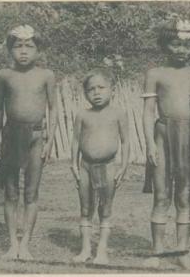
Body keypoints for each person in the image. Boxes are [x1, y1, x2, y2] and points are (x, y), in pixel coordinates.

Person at [142, 19, 190, 270]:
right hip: (162, 135)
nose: (181, 50)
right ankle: (157, 252)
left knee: (184, 196)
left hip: (188, 137)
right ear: (165, 45)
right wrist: (149, 143)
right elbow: (149, 111)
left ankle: (182, 251)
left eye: (187, 45)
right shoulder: (155, 74)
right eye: (175, 44)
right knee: (161, 195)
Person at [0, 25, 58, 261]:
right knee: (11, 192)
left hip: (36, 137)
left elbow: (53, 108)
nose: (23, 51)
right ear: (10, 50)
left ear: (38, 50)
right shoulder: (3, 75)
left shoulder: (46, 75)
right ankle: (12, 244)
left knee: (31, 192)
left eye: (29, 46)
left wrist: (50, 140)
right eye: (17, 46)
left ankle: (26, 244)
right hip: (11, 136)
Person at [70, 69, 130, 265]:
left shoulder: (118, 114)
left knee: (105, 209)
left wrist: (123, 166)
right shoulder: (82, 115)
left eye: (101, 88)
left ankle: (102, 250)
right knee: (85, 208)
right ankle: (86, 249)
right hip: (85, 167)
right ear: (85, 93)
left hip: (108, 167)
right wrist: (73, 164)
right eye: (91, 89)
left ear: (112, 90)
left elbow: (126, 141)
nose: (96, 93)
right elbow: (76, 141)